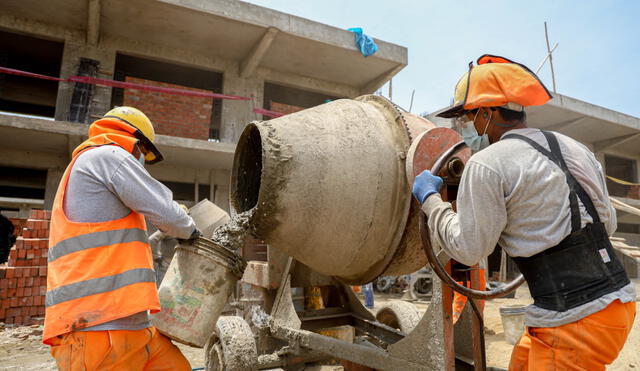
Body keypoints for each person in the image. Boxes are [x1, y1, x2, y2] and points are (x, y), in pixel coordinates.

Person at [413, 55, 636, 370]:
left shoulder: (487, 163)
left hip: (574, 320)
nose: (467, 127)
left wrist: (430, 200)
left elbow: (469, 247)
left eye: (468, 117)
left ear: (488, 113)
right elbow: (608, 224)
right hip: (618, 305)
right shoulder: (577, 148)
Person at [43, 106, 201, 370]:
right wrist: (191, 230)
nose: (141, 159)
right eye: (144, 153)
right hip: (96, 329)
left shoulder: (92, 166)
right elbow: (167, 214)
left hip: (135, 325)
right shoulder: (108, 156)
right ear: (135, 141)